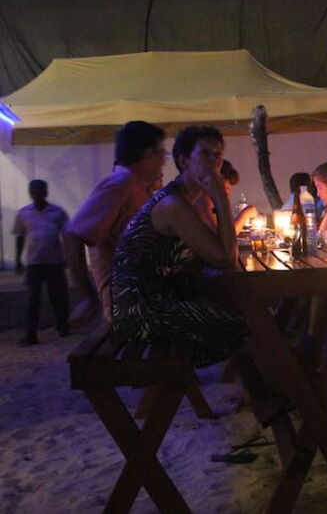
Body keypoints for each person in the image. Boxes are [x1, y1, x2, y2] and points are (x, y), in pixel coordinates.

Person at [110, 126, 247, 367]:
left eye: (218, 155)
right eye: (205, 154)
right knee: (242, 324)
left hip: (159, 301)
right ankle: (281, 390)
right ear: (184, 161)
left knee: (240, 310)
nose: (214, 161)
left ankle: (262, 393)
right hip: (140, 311)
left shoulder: (189, 200)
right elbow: (225, 258)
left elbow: (221, 250)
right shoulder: (173, 204)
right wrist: (221, 198)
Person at [66, 121, 166, 323]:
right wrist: (87, 297)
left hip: (142, 298)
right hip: (128, 305)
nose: (163, 162)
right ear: (148, 154)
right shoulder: (120, 183)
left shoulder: (137, 186)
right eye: (162, 154)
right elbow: (72, 236)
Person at [12, 180, 70, 345]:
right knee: (32, 300)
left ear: (46, 192)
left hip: (54, 262)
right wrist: (18, 260)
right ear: (30, 193)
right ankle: (30, 334)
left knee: (58, 296)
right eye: (34, 192)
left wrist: (67, 256)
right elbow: (20, 237)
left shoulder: (58, 212)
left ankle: (62, 327)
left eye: (40, 191)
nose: (37, 195)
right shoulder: (24, 213)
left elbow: (67, 236)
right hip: (34, 263)